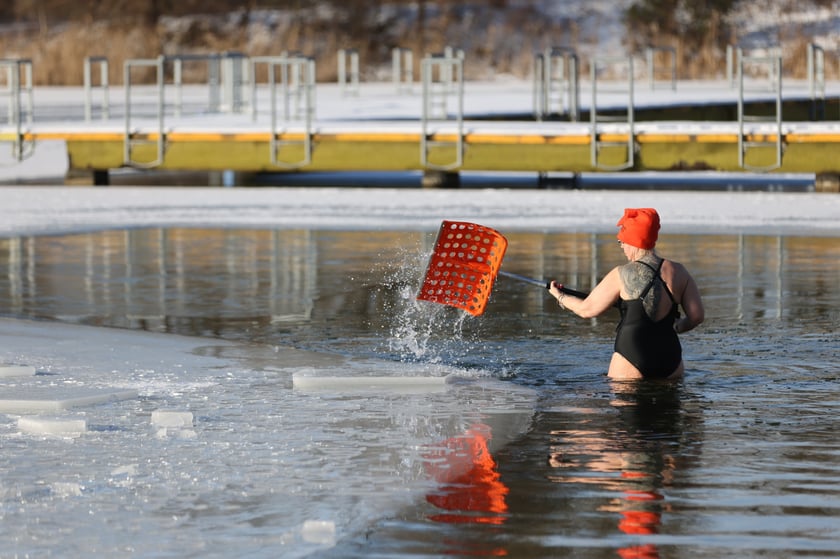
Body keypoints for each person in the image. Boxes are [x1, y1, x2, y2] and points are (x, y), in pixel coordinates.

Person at [548, 208, 704, 380]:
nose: (622, 247)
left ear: (633, 241)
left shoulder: (620, 274)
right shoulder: (679, 272)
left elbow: (587, 310)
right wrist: (678, 326)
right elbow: (696, 316)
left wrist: (559, 296)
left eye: (622, 242)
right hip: (670, 359)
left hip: (631, 358)